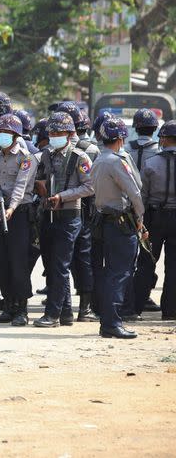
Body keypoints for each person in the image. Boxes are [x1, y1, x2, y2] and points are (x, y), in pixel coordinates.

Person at [33, 112, 94, 328]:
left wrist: (62, 196)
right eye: (51, 132)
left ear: (69, 134)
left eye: (59, 132)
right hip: (48, 214)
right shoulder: (46, 155)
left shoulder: (80, 157)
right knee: (51, 265)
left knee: (60, 265)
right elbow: (39, 178)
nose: (54, 136)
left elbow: (89, 187)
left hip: (69, 216)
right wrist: (40, 187)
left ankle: (52, 315)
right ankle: (66, 312)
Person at [91, 117, 145, 339]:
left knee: (110, 273)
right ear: (121, 138)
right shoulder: (116, 161)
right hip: (121, 221)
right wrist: (140, 217)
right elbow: (135, 192)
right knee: (120, 273)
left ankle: (108, 322)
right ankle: (112, 323)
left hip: (104, 220)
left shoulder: (98, 160)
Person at [0, 114, 37, 326]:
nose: (1, 136)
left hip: (20, 213)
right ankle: (8, 306)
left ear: (15, 136)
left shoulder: (26, 158)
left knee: (18, 262)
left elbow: (20, 187)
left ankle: (21, 308)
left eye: (6, 133)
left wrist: (11, 208)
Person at [136, 120, 176, 320]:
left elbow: (141, 196)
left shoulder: (151, 163)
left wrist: (139, 220)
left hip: (155, 217)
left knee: (146, 262)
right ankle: (170, 311)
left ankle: (135, 308)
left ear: (165, 139)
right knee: (174, 266)